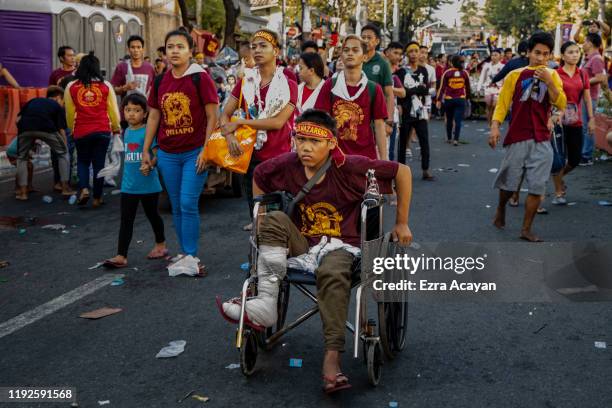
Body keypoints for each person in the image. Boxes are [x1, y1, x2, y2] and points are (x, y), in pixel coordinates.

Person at [218, 108, 413, 393]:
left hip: (342, 245)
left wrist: (402, 223)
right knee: (272, 219)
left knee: (332, 271)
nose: (305, 147)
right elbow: (259, 174)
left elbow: (402, 172)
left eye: (314, 141)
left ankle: (332, 356)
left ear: (332, 143)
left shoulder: (351, 166)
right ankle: (266, 305)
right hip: (303, 245)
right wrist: (260, 215)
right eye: (300, 139)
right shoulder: (288, 165)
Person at [142, 29, 219, 268]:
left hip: (194, 152)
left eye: (180, 46)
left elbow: (212, 116)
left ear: (190, 51)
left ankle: (190, 253)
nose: (174, 51)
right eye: (170, 47)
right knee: (176, 204)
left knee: (187, 203)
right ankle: (184, 252)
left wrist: (206, 150)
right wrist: (147, 149)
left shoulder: (200, 77)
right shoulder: (159, 80)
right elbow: (154, 117)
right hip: (167, 154)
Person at [489, 31, 567, 242]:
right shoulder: (515, 75)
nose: (540, 58)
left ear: (550, 56)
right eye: (537, 53)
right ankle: (501, 208)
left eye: (545, 54)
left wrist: (550, 82)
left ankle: (526, 229)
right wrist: (495, 127)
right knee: (508, 183)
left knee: (537, 186)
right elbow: (502, 104)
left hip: (542, 137)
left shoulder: (554, 75)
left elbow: (561, 103)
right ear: (529, 53)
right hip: (518, 136)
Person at [221, 29, 298, 231]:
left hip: (279, 157)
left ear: (277, 51)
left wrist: (240, 123)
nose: (257, 50)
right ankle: (258, 261)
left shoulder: (289, 84)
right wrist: (229, 136)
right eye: (254, 46)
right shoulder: (245, 82)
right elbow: (225, 114)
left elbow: (277, 123)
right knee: (256, 214)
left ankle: (280, 260)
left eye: (263, 46)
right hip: (250, 155)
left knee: (279, 217)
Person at [103, 93, 167, 268]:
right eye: (128, 110)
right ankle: (121, 255)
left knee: (152, 215)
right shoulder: (126, 132)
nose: (131, 114)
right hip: (129, 185)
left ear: (145, 113)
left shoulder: (148, 130)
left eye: (137, 110)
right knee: (126, 219)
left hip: (149, 185)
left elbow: (157, 153)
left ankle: (161, 245)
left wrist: (151, 165)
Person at [314, 34, 388, 160]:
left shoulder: (374, 89)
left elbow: (380, 127)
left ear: (364, 57)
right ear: (341, 56)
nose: (350, 53)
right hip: (334, 159)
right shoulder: (330, 85)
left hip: (365, 158)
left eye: (355, 50)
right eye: (346, 50)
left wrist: (384, 159)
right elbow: (321, 123)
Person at [65, 52, 121, 207]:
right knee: (99, 164)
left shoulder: (72, 86)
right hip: (102, 130)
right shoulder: (106, 86)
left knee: (83, 161)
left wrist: (72, 128)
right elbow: (113, 110)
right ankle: (97, 198)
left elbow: (69, 113)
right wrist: (116, 128)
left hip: (81, 131)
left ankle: (83, 189)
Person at [551, 41, 595, 205]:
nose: (575, 55)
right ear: (562, 56)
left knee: (575, 159)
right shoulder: (555, 74)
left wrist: (591, 119)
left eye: (577, 52)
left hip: (575, 121)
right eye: (570, 52)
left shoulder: (582, 74)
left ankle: (558, 176)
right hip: (557, 122)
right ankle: (558, 192)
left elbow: (587, 98)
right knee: (559, 158)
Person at [15, 86, 75, 200]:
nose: (63, 104)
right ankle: (65, 188)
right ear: (58, 98)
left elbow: (17, 120)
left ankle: (23, 193)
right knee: (63, 154)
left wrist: (26, 136)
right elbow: (61, 129)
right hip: (46, 127)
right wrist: (65, 145)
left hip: (24, 128)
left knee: (21, 158)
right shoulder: (57, 106)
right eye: (63, 101)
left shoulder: (33, 101)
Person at [396, 42, 435, 180]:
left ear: (419, 53)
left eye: (416, 51)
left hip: (420, 111)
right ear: (407, 54)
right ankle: (400, 170)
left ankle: (426, 169)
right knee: (403, 141)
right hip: (406, 111)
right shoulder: (401, 72)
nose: (413, 54)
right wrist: (415, 90)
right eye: (410, 51)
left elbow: (426, 90)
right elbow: (401, 93)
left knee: (424, 140)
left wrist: (411, 91)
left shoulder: (423, 71)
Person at [360, 24, 395, 136]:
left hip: (376, 117)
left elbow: (389, 94)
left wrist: (389, 122)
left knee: (377, 152)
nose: (365, 40)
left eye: (369, 38)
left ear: (377, 41)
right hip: (356, 114)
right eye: (363, 37)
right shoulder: (355, 60)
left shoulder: (383, 63)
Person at [579, 33, 607, 166]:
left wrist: (582, 84)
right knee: (584, 126)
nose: (583, 44)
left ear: (590, 43)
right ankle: (584, 153)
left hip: (590, 97)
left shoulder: (596, 58)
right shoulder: (589, 58)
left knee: (588, 126)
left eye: (585, 41)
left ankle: (587, 155)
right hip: (585, 96)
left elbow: (600, 78)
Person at [437, 55, 471, 145]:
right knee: (458, 120)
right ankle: (456, 139)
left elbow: (442, 88)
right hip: (461, 99)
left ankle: (449, 138)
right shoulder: (464, 73)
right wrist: (467, 98)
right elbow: (468, 87)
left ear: (452, 62)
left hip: (449, 100)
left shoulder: (447, 73)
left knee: (449, 119)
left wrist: (438, 99)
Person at [111, 35, 156, 99]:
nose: (136, 50)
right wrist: (124, 88)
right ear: (128, 49)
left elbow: (154, 89)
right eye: (133, 47)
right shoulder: (121, 67)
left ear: (142, 49)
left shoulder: (150, 68)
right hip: (126, 107)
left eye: (138, 47)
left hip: (145, 107)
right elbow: (113, 90)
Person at [384, 42, 407, 162]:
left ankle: (389, 179)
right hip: (374, 119)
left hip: (391, 119)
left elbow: (403, 93)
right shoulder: (374, 73)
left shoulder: (395, 77)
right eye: (395, 53)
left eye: (400, 54)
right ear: (387, 53)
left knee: (390, 152)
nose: (398, 57)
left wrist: (388, 88)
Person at [478, 48, 505, 125]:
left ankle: (494, 123)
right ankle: (490, 123)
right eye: (492, 55)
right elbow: (482, 77)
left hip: (498, 89)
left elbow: (505, 79)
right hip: (488, 89)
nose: (493, 57)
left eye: (496, 55)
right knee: (489, 106)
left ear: (500, 56)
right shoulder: (486, 66)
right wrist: (479, 88)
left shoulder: (503, 67)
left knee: (494, 106)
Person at [419, 45, 437, 117]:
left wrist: (430, 92)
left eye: (426, 53)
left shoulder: (431, 69)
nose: (424, 55)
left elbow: (434, 83)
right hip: (413, 98)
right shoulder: (411, 68)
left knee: (425, 122)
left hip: (427, 99)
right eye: (422, 52)